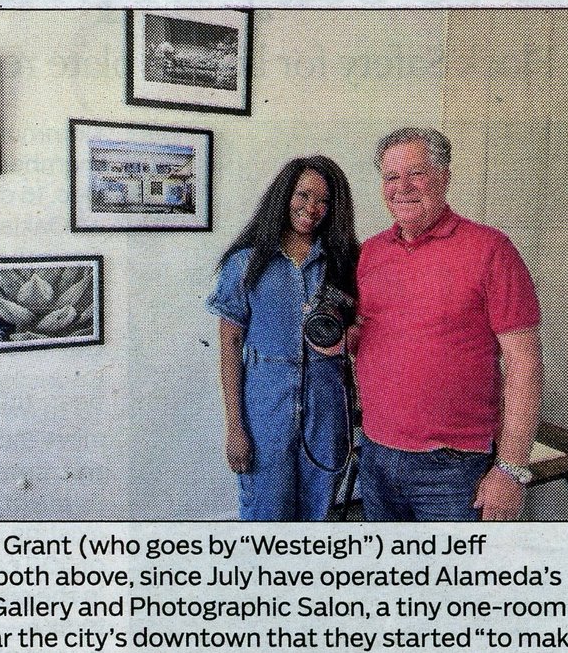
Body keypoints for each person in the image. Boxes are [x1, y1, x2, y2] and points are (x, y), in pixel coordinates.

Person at [352, 127, 543, 521]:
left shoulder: (492, 250)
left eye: (416, 173)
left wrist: (510, 468)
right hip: (375, 456)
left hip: (455, 470)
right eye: (391, 177)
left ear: (445, 176)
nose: (401, 187)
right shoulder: (370, 252)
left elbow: (525, 366)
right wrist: (343, 340)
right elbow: (374, 337)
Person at [208, 157, 360, 520]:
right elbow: (229, 346)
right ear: (284, 195)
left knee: (317, 517)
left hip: (327, 414)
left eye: (324, 201)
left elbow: (364, 333)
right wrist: (235, 429)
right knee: (265, 519)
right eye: (303, 195)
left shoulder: (345, 263)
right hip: (264, 411)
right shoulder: (246, 263)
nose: (312, 208)